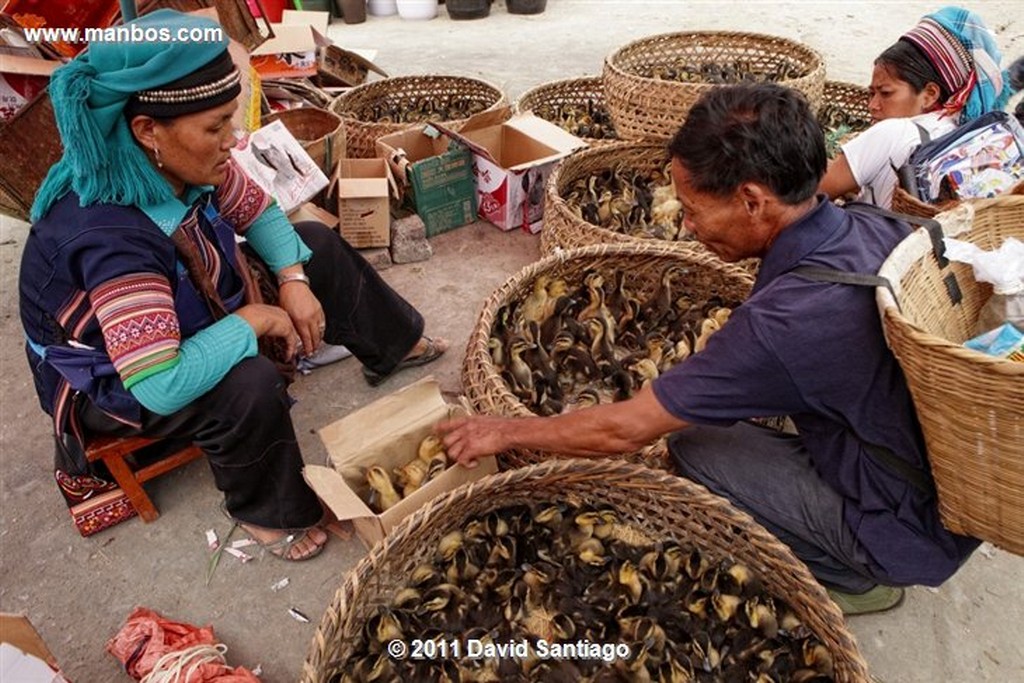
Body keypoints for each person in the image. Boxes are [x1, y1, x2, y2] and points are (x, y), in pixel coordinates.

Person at [438, 83, 979, 614]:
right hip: (935, 477)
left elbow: (624, 428)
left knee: (697, 445)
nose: (688, 228)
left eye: (694, 211)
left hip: (908, 530)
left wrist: (504, 430)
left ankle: (854, 578)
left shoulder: (781, 327)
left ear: (752, 200)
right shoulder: (870, 222)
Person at [19, 10, 447, 560]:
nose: (234, 139)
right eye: (216, 127)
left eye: (231, 119)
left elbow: (259, 208)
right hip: (118, 378)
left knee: (312, 240)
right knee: (249, 380)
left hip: (179, 310)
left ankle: (394, 345)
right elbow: (160, 384)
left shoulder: (179, 163)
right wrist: (253, 320)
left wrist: (292, 280)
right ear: (148, 130)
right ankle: (268, 513)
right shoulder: (112, 240)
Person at [819, 5, 1017, 208]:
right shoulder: (967, 135)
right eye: (872, 94)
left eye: (885, 93)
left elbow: (809, 195)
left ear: (929, 94)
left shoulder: (891, 133)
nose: (872, 105)